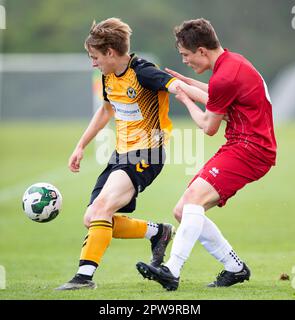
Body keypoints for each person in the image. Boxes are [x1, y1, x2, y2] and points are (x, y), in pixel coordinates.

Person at [56, 18, 205, 290]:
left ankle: (83, 278)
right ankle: (157, 232)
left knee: (101, 209)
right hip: (121, 154)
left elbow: (178, 87)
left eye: (95, 57)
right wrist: (81, 145)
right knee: (93, 218)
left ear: (111, 53)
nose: (93, 63)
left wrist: (215, 101)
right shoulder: (107, 75)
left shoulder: (144, 73)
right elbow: (105, 110)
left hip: (147, 152)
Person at [136, 18, 277, 291]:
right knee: (183, 210)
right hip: (244, 146)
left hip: (250, 149)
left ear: (202, 50)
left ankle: (171, 270)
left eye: (186, 55)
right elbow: (219, 95)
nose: (185, 61)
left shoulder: (225, 75)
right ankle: (235, 267)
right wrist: (187, 83)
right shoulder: (232, 63)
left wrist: (185, 97)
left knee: (193, 201)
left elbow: (207, 126)